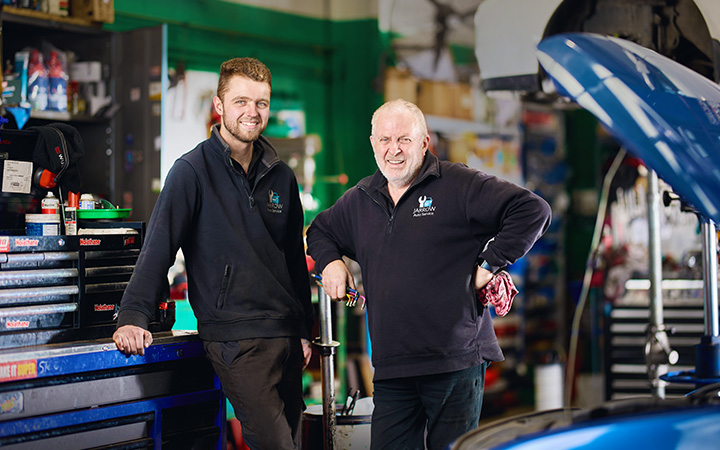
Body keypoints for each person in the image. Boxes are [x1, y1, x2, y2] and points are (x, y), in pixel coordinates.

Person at [306, 99, 551, 450]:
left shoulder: (458, 184)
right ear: (373, 144)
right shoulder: (360, 199)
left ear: (424, 143)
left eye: (404, 139)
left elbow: (533, 210)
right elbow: (319, 231)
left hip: (454, 360)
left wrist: (489, 264)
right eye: (385, 140)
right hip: (392, 366)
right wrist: (330, 262)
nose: (394, 150)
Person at [113, 57, 314, 450]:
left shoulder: (282, 176)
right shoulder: (191, 171)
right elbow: (159, 248)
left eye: (261, 103)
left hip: (287, 338)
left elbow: (293, 259)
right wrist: (133, 316)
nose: (252, 113)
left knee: (292, 440)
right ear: (220, 106)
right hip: (236, 338)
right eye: (241, 102)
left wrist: (304, 330)